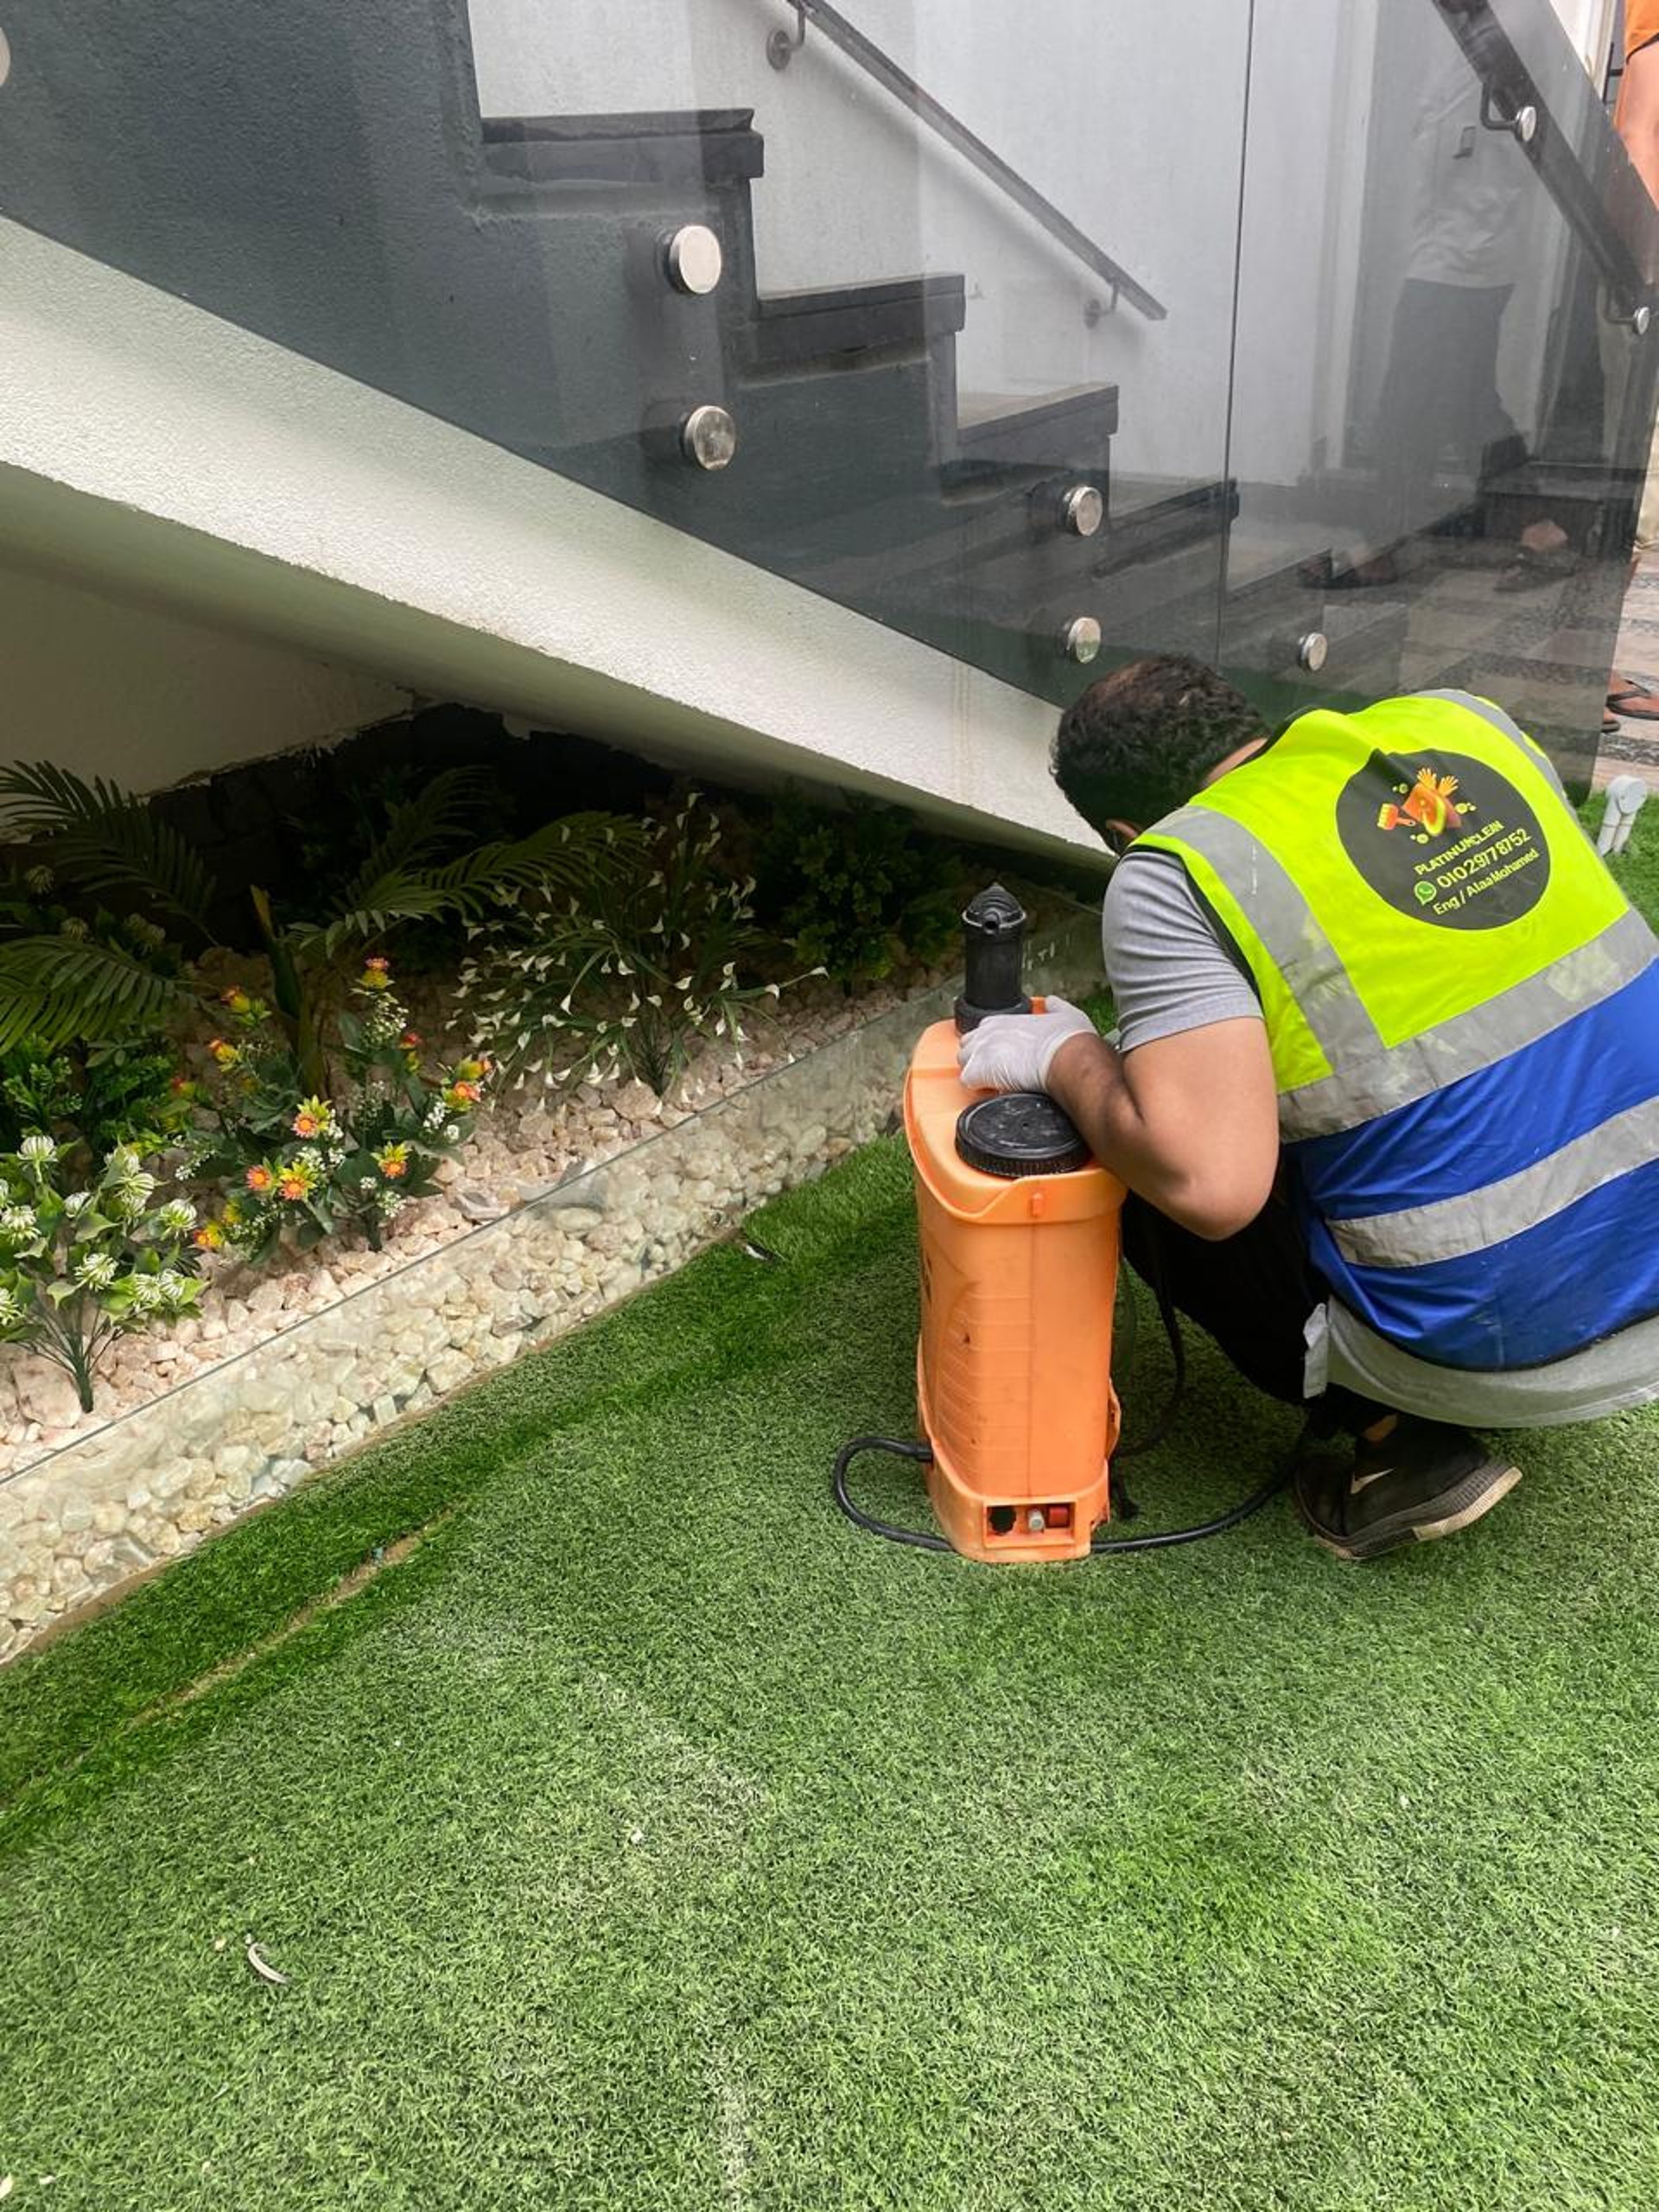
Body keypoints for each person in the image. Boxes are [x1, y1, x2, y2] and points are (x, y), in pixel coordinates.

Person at [957, 656, 1659, 1560]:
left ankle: (1398, 1443)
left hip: (1495, 1336)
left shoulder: (1177, 866)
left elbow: (1212, 1187)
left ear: (1126, 829)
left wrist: (1067, 1058)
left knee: (1142, 1148)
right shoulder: (1465, 723)